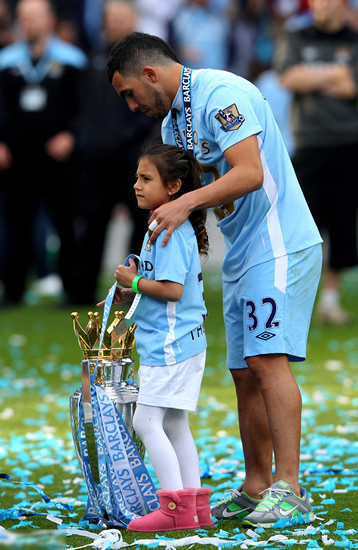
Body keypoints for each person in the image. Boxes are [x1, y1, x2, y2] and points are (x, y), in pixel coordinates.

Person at [106, 32, 323, 528]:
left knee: (267, 362)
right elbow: (187, 192)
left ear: (151, 74)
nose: (131, 105)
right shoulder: (170, 121)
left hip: (278, 241)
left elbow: (248, 172)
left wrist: (183, 203)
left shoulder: (221, 94)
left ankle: (289, 487)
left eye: (129, 93)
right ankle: (256, 486)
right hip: (242, 251)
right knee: (244, 372)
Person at [99, 143, 212, 533]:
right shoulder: (158, 225)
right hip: (184, 341)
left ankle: (174, 507)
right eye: (136, 177)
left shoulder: (168, 229)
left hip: (169, 344)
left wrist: (135, 281)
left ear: (174, 186)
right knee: (176, 423)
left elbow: (172, 290)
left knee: (148, 422)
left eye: (146, 178)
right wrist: (132, 287)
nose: (136, 185)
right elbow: (159, 284)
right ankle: (195, 506)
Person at [0, 0, 89, 306]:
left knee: (65, 222)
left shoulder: (72, 59)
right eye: (23, 18)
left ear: (50, 20)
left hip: (59, 158)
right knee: (15, 223)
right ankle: (12, 290)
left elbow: (84, 107)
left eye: (34, 17)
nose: (28, 23)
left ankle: (73, 289)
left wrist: (71, 136)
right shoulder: (6, 60)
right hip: (16, 157)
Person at [275, 0, 358, 325]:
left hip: (349, 142)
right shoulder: (297, 36)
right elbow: (288, 78)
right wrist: (336, 73)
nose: (321, 5)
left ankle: (330, 299)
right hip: (309, 143)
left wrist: (313, 77)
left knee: (342, 223)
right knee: (302, 226)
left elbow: (354, 87)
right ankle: (297, 301)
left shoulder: (353, 39)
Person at [77, 0, 158, 302]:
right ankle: (80, 289)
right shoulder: (94, 58)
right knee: (91, 222)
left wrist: (135, 143)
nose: (113, 23)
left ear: (133, 20)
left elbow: (150, 107)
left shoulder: (144, 63)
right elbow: (83, 105)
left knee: (139, 225)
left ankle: (140, 286)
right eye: (109, 18)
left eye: (119, 17)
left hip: (133, 156)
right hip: (96, 156)